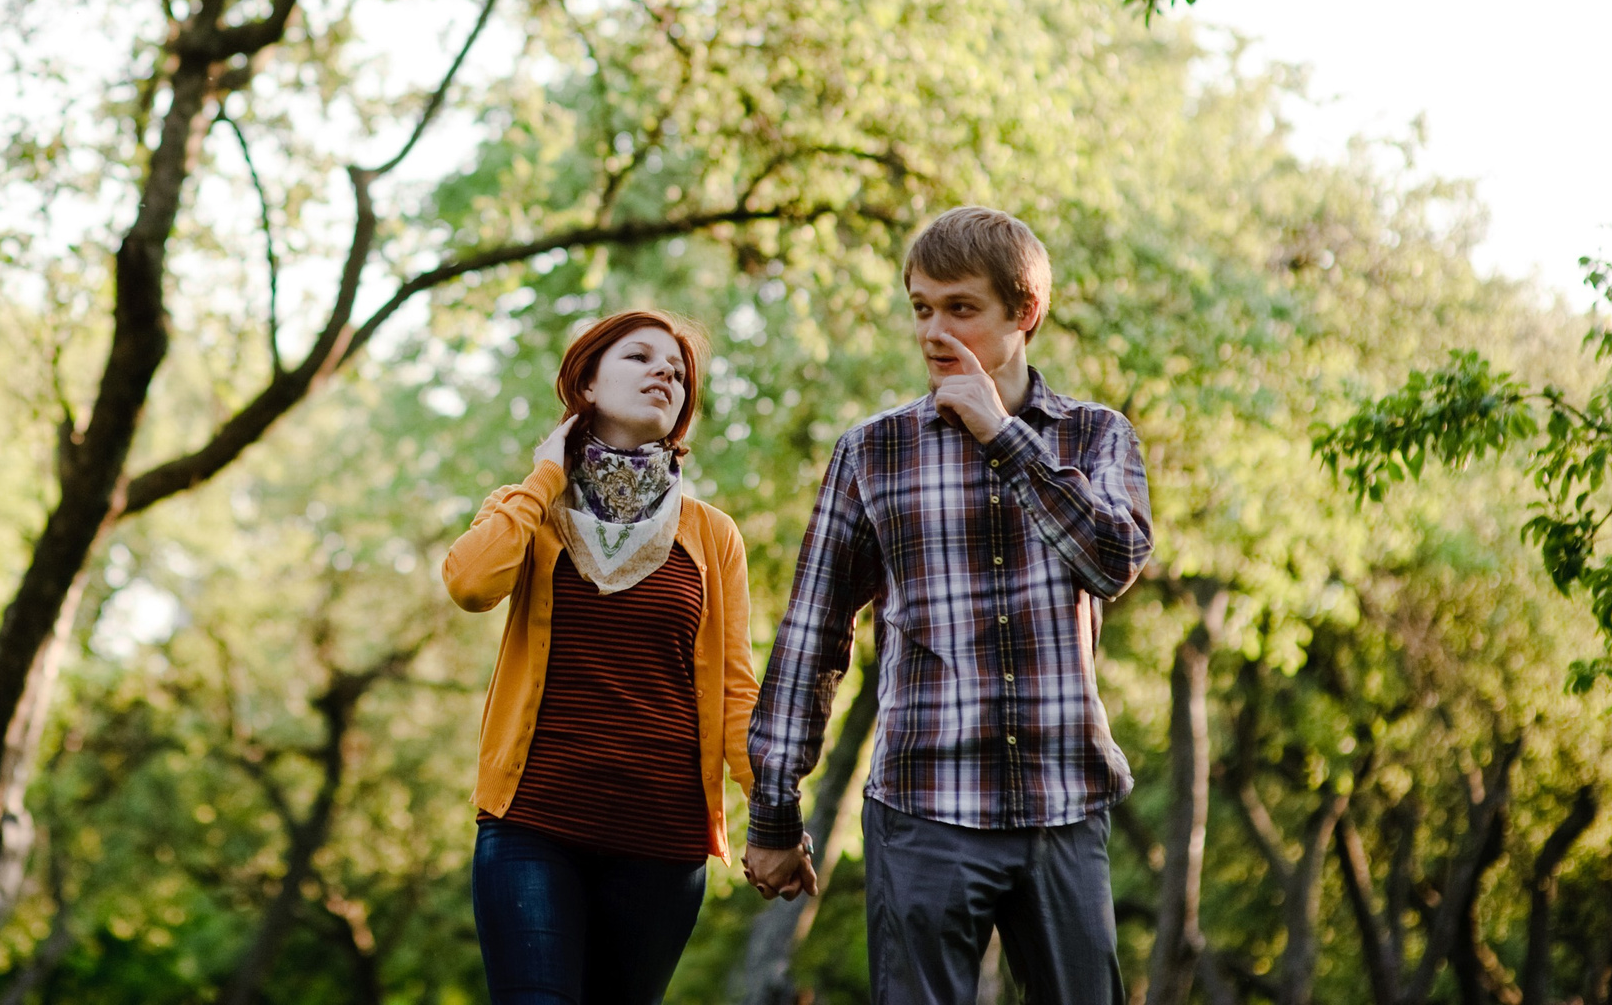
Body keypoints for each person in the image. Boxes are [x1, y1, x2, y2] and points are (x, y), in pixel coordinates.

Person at [742, 207, 1152, 1005]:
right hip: (922, 809)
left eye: (959, 308)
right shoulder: (873, 451)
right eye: (921, 307)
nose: (934, 330)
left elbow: (1113, 562)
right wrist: (773, 810)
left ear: (1023, 312)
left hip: (1062, 807)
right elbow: (813, 634)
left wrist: (1002, 436)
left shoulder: (1097, 437)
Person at [444, 309, 759, 1005]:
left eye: (676, 373)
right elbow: (470, 583)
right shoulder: (528, 510)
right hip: (532, 826)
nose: (664, 375)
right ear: (585, 384)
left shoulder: (712, 535)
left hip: (662, 843)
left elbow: (737, 691)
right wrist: (542, 481)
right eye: (639, 359)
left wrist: (771, 815)